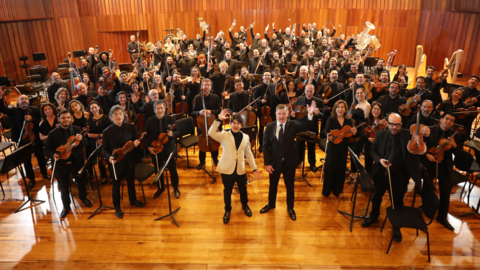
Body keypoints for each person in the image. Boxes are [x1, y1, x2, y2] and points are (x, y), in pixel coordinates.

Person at [362, 113, 429, 243]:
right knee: (376, 197)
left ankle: (396, 226)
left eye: (397, 125)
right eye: (391, 124)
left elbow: (420, 141)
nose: (394, 127)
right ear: (387, 123)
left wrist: (426, 133)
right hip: (382, 173)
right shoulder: (381, 134)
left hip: (399, 175)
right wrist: (379, 159)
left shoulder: (408, 135)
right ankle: (374, 216)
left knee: (397, 202)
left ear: (401, 125)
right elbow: (372, 151)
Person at [260, 102, 317, 221]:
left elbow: (305, 126)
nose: (281, 116)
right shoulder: (269, 127)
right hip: (274, 162)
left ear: (287, 114)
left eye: (284, 114)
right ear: (275, 114)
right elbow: (265, 146)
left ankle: (290, 208)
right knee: (272, 186)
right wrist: (267, 163)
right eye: (279, 114)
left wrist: (310, 115)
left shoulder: (293, 125)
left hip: (289, 162)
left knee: (290, 187)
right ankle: (271, 205)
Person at [208, 110, 261, 224]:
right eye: (234, 123)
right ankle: (227, 210)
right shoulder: (224, 134)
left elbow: (249, 154)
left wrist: (255, 169)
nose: (236, 125)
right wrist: (218, 119)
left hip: (240, 169)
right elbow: (211, 133)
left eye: (238, 123)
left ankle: (245, 205)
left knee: (243, 189)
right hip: (227, 169)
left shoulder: (246, 137)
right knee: (227, 191)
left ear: (241, 125)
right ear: (230, 123)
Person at [44, 110, 92, 218]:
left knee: (80, 181)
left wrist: (82, 139)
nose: (66, 120)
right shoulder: (53, 134)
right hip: (61, 162)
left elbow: (85, 143)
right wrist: (54, 155)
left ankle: (83, 198)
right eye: (64, 118)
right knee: (64, 185)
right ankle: (66, 206)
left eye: (68, 117)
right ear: (59, 119)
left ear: (71, 118)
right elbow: (46, 150)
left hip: (76, 161)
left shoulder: (77, 130)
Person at [0, 90, 50, 189]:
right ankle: (31, 179)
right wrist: (1, 97)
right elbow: (2, 108)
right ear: (18, 102)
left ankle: (44, 172)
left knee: (40, 156)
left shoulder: (35, 110)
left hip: (35, 137)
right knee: (26, 160)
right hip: (22, 139)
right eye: (21, 99)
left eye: (25, 99)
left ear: (29, 101)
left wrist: (32, 119)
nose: (24, 100)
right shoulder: (14, 111)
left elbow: (41, 121)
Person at [102, 105, 145, 219]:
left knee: (131, 181)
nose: (118, 116)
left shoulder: (131, 127)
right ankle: (117, 207)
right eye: (115, 115)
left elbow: (135, 140)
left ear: (124, 116)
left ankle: (133, 199)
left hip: (130, 160)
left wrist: (136, 143)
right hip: (116, 163)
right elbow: (104, 149)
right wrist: (109, 158)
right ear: (111, 118)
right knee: (116, 186)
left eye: (120, 114)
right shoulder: (107, 132)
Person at [422, 112, 460, 231]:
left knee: (445, 192)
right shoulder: (430, 130)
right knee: (426, 189)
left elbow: (458, 155)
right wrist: (426, 155)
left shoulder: (454, 136)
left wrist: (454, 146)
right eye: (447, 119)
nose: (448, 122)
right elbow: (421, 147)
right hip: (430, 164)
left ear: (453, 123)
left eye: (451, 121)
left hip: (445, 166)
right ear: (441, 119)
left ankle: (442, 217)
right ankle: (426, 208)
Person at [144, 100, 181, 199]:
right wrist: (149, 147)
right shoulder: (149, 121)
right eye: (157, 108)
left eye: (161, 108)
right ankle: (160, 188)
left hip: (169, 149)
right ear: (154, 110)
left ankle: (175, 188)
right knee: (158, 170)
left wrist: (172, 134)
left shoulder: (171, 119)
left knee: (173, 170)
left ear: (165, 109)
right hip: (156, 149)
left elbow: (178, 131)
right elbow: (145, 136)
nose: (160, 110)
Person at [322, 100, 357, 197]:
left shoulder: (349, 120)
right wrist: (327, 134)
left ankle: (337, 189)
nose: (340, 109)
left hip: (343, 146)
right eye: (338, 107)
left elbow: (353, 133)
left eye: (342, 107)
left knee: (341, 168)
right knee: (330, 167)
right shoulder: (331, 118)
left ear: (345, 109)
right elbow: (325, 130)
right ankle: (327, 190)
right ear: (335, 108)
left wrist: (354, 132)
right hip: (333, 147)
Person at [192, 78, 221, 169]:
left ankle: (215, 159)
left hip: (213, 124)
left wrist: (210, 111)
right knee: (202, 143)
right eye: (204, 85)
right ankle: (202, 161)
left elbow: (218, 110)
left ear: (211, 87)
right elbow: (193, 112)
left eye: (208, 85)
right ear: (202, 86)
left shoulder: (215, 97)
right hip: (201, 125)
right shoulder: (197, 98)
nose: (206, 86)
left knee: (214, 142)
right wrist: (199, 112)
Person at [295, 84, 324, 172]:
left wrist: (318, 113)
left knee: (311, 146)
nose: (309, 93)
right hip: (301, 126)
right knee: (300, 145)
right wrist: (294, 114)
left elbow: (323, 116)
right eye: (307, 91)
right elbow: (297, 112)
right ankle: (299, 161)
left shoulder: (318, 101)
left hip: (312, 127)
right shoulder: (299, 99)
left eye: (311, 91)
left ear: (314, 91)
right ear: (304, 91)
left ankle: (312, 163)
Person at [86, 101, 111, 184]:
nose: (94, 109)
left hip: (106, 140)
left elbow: (109, 131)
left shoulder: (105, 118)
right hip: (94, 142)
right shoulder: (89, 120)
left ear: (99, 107)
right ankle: (103, 176)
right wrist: (100, 135)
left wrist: (102, 138)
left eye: (95, 107)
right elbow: (89, 135)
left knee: (108, 156)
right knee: (99, 159)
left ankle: (111, 175)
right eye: (92, 108)